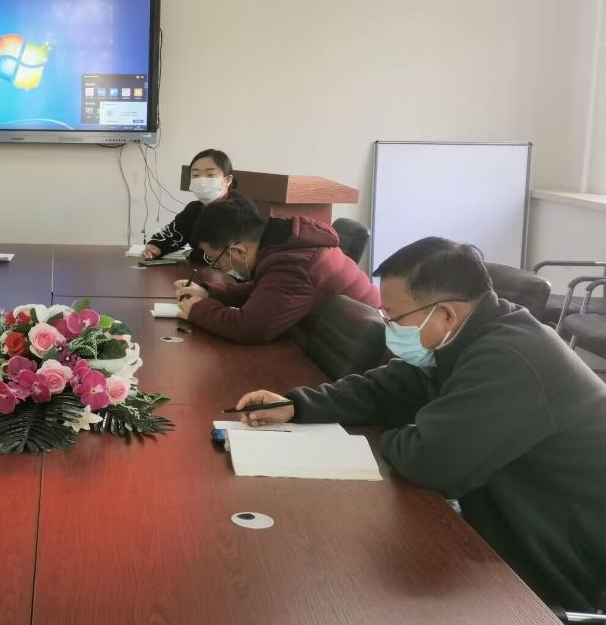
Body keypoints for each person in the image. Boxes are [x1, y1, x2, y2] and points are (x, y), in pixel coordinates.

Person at [233, 237, 606, 612]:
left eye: (394, 317)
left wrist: (393, 436)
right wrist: (297, 404)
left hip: (563, 569)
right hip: (504, 528)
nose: (388, 326)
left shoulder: (512, 357)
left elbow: (430, 462)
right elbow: (387, 388)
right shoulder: (463, 338)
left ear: (446, 314)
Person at [175, 197, 379, 342]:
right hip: (334, 338)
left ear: (238, 251)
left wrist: (198, 310)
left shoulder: (294, 266)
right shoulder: (282, 243)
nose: (220, 267)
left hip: (366, 357)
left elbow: (249, 328)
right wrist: (209, 292)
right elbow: (265, 289)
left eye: (215, 259)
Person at [142, 149, 237, 262]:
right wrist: (156, 246)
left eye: (210, 175)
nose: (202, 181)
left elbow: (230, 256)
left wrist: (194, 254)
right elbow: (174, 233)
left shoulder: (239, 212)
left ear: (228, 180)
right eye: (195, 175)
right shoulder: (195, 208)